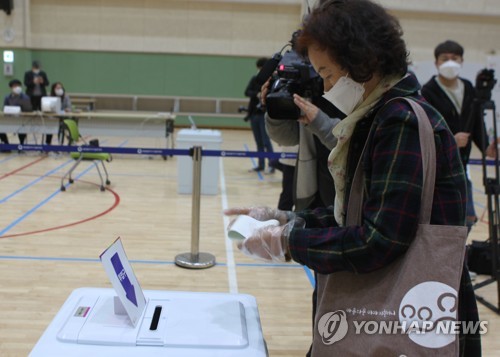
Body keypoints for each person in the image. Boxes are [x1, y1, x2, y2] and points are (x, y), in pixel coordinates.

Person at [225, 0, 480, 355]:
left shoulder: (399, 120)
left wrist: (288, 242)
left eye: (328, 74)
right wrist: (286, 218)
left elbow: (381, 239)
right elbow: (360, 210)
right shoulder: (379, 114)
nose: (326, 88)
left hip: (409, 309)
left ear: (363, 61)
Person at [421, 40, 497, 231]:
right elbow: (425, 128)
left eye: (454, 58)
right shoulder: (428, 91)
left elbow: (477, 123)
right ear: (436, 62)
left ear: (462, 61)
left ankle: (460, 256)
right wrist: (450, 140)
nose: (450, 62)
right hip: (439, 166)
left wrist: (486, 147)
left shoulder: (469, 88)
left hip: (461, 164)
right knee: (442, 221)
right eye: (445, 58)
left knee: (468, 218)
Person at [244, 58, 276, 174]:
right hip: (254, 114)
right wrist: (256, 94)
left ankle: (272, 165)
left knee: (266, 141)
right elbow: (247, 92)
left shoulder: (271, 80)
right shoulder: (255, 78)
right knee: (259, 142)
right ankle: (260, 165)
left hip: (264, 114)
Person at [3, 79, 32, 146]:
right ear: (11, 88)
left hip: (22, 119)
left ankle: (21, 145)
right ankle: (6, 144)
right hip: (10, 119)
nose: (17, 87)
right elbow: (4, 108)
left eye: (18, 86)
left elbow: (29, 109)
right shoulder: (7, 97)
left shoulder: (25, 97)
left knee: (22, 129)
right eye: (15, 86)